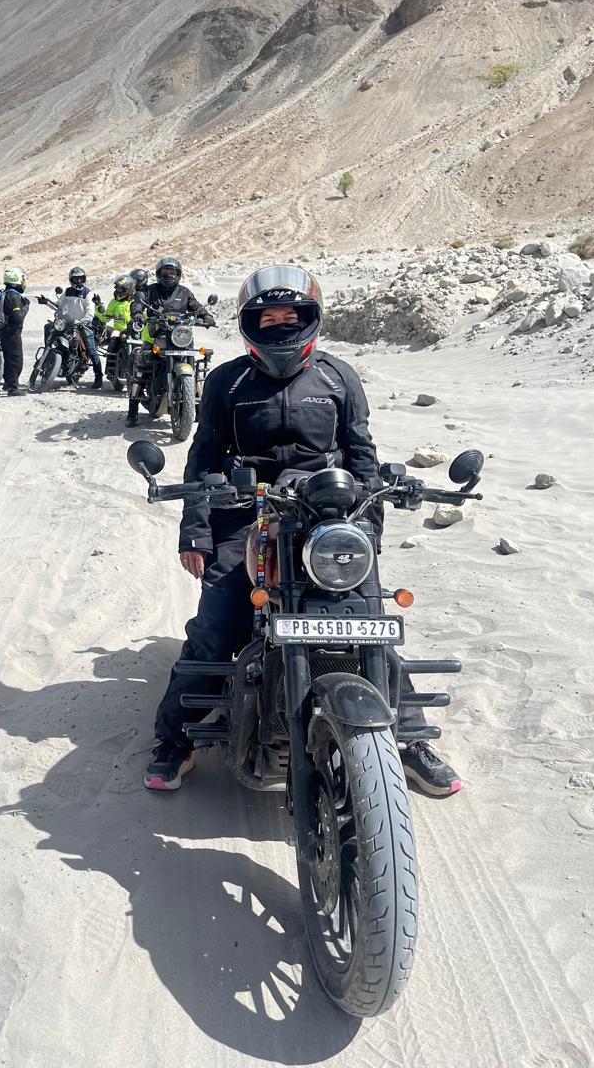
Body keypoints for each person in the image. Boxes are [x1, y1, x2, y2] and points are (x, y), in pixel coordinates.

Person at [144, 263, 460, 798]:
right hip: (247, 514)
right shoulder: (228, 381)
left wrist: (369, 523)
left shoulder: (338, 377)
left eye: (291, 314)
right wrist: (195, 530)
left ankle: (404, 737)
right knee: (219, 622)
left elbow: (361, 452)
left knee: (364, 618)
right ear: (251, 323)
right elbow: (203, 458)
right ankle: (175, 738)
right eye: (268, 316)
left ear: (311, 318)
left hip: (327, 517)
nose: (280, 324)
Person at [125, 256, 214, 426]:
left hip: (181, 337)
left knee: (194, 367)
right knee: (142, 366)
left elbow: (196, 306)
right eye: (165, 273)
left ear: (178, 274)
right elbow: (138, 303)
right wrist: (137, 313)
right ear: (159, 274)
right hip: (156, 335)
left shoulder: (184, 292)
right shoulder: (150, 291)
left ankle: (198, 410)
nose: (169, 276)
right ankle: (132, 410)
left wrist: (206, 316)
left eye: (172, 273)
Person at [58, 266, 104, 388]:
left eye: (81, 279)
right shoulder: (67, 291)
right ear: (71, 280)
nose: (78, 281)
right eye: (76, 279)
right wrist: (48, 303)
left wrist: (83, 321)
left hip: (84, 324)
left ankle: (98, 377)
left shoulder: (88, 293)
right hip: (69, 323)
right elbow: (59, 304)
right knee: (51, 330)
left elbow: (90, 311)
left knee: (92, 351)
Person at [0, 267, 29, 395]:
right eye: (22, 279)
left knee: (8, 358)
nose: (24, 281)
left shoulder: (6, 293)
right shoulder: (13, 296)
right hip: (12, 332)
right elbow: (18, 317)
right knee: (16, 360)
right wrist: (26, 307)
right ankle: (12, 388)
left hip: (4, 331)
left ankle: (8, 383)